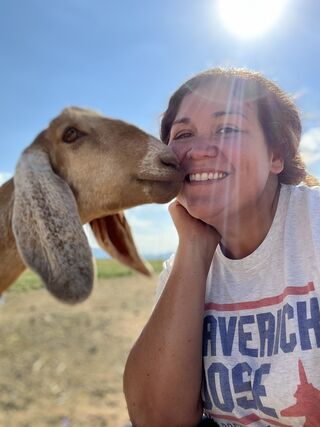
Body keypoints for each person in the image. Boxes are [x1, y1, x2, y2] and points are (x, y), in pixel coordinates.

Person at [123, 68, 320, 427]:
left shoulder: (314, 224)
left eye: (226, 128)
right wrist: (194, 249)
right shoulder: (184, 267)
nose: (198, 150)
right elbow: (157, 419)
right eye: (183, 134)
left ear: (275, 155)